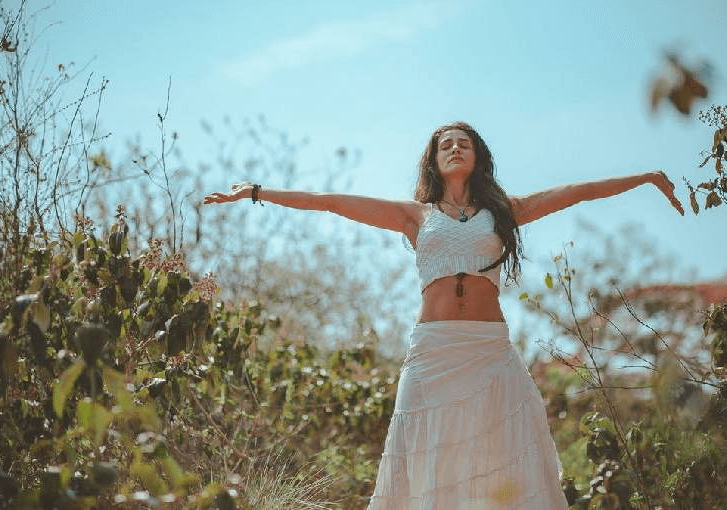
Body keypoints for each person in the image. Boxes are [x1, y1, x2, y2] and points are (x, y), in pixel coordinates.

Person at [203, 121, 684, 509]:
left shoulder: (504, 211)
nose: (455, 149)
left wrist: (642, 178)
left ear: (478, 156)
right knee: (425, 456)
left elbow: (577, 191)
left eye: (464, 143)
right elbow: (329, 202)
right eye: (445, 145)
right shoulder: (415, 215)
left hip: (489, 350)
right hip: (433, 352)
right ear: (433, 160)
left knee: (505, 454)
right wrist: (257, 192)